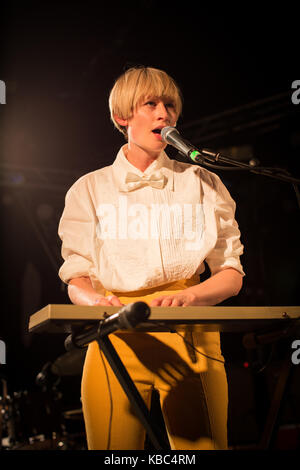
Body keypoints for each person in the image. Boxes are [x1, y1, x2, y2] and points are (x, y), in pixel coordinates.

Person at [58, 66, 245, 450]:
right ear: (121, 117)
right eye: (151, 104)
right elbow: (76, 277)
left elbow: (230, 271)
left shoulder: (203, 182)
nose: (165, 114)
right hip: (116, 336)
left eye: (170, 105)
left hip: (191, 333)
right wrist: (98, 302)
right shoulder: (88, 189)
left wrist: (192, 297)